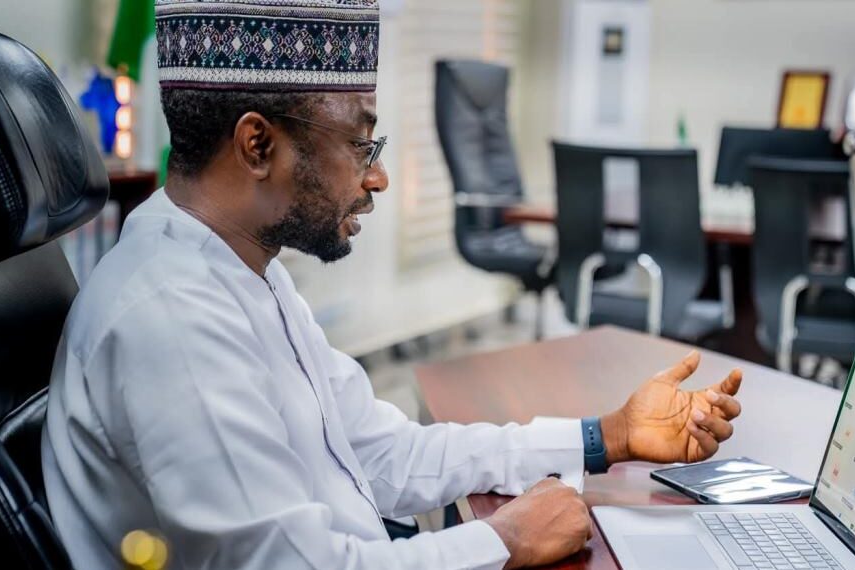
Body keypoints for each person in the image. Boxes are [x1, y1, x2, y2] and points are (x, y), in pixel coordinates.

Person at [42, 1, 744, 568]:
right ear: (258, 145)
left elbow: (383, 453)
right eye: (360, 144)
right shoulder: (169, 320)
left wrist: (607, 436)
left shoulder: (243, 273)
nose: (376, 176)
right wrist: (503, 541)